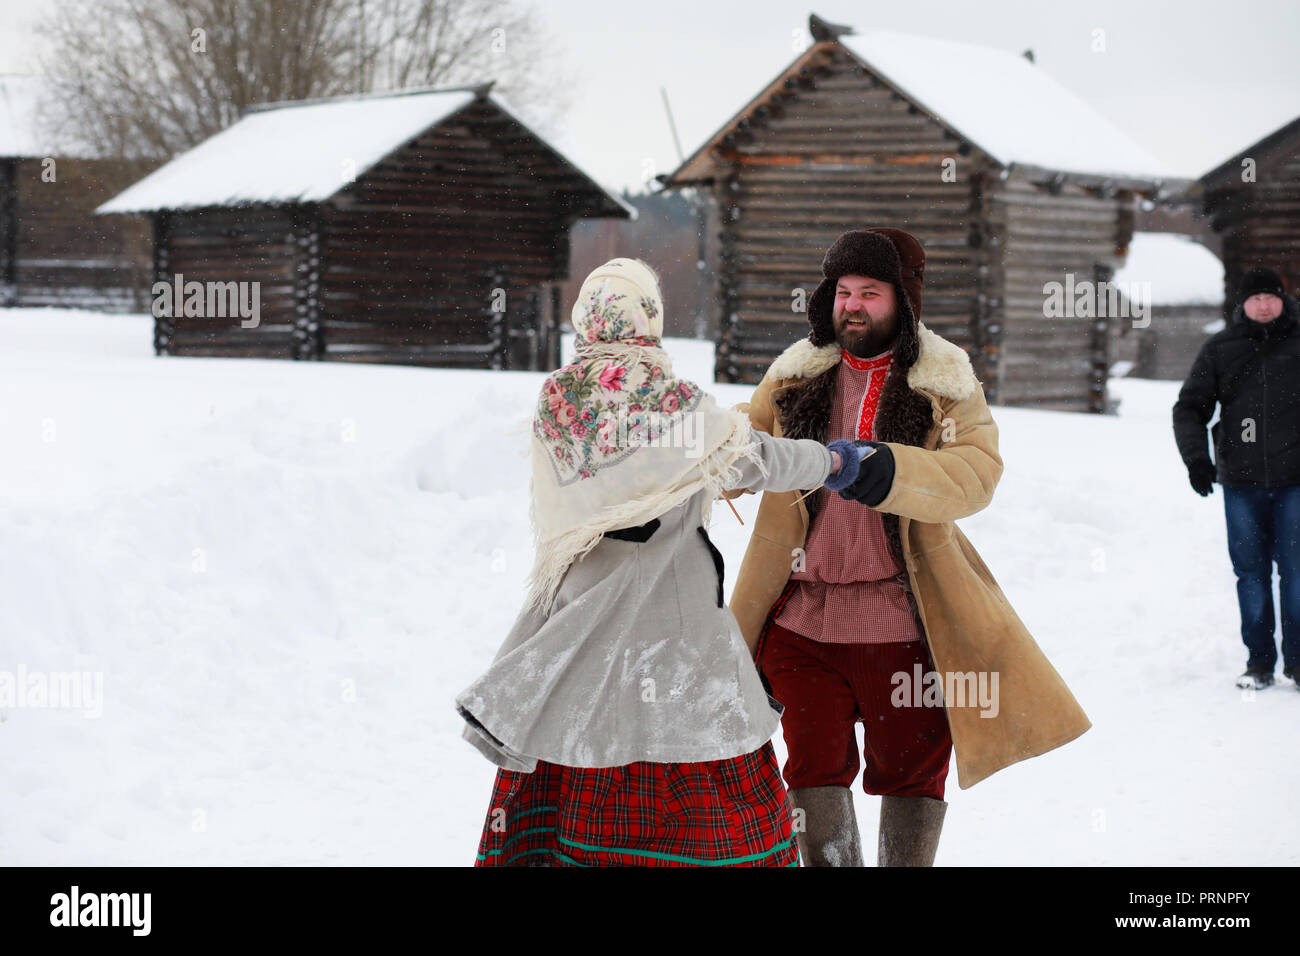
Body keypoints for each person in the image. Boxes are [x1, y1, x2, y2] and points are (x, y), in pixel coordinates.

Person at [454, 257, 865, 866]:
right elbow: (755, 461)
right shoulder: (677, 405)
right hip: (679, 635)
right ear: (649, 319)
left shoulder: (558, 402)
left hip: (582, 619)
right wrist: (831, 463)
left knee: (588, 740)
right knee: (696, 751)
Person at [723, 228, 1091, 867]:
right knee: (810, 768)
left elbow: (977, 472)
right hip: (800, 619)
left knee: (911, 774)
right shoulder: (792, 375)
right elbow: (745, 446)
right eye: (843, 292)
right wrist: (695, 442)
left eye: (871, 292)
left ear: (904, 300)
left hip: (904, 619)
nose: (854, 306)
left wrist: (884, 469)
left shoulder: (943, 379)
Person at [1173, 266, 1300, 690]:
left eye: (1271, 297)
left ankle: (1298, 664)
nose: (1264, 305)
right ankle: (1260, 663)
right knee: (1251, 573)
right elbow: (1190, 407)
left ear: (1283, 300)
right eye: (1255, 298)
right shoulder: (1221, 348)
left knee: (1297, 573)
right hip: (1242, 484)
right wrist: (1197, 460)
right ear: (1242, 305)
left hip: (1295, 482)